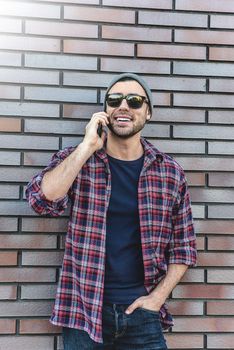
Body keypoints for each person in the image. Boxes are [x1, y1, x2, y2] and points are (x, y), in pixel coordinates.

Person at [26, 73, 197, 350]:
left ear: (148, 113)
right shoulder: (79, 160)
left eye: (135, 100)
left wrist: (157, 299)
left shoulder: (169, 172)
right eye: (114, 100)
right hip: (84, 311)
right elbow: (41, 200)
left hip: (142, 313)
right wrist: (86, 147)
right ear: (105, 111)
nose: (124, 106)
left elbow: (184, 247)